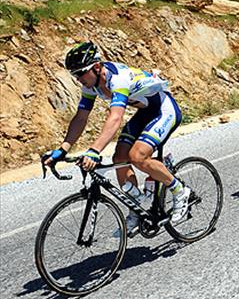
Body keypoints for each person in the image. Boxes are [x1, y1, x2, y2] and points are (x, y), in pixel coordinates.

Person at [43, 41, 189, 235]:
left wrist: (94, 151)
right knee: (119, 157)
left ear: (96, 67)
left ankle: (180, 191)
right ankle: (137, 210)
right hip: (145, 112)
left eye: (80, 73)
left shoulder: (118, 80)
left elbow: (116, 117)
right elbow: (81, 117)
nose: (78, 79)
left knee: (137, 156)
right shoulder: (91, 84)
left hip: (164, 110)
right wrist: (63, 149)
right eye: (74, 75)